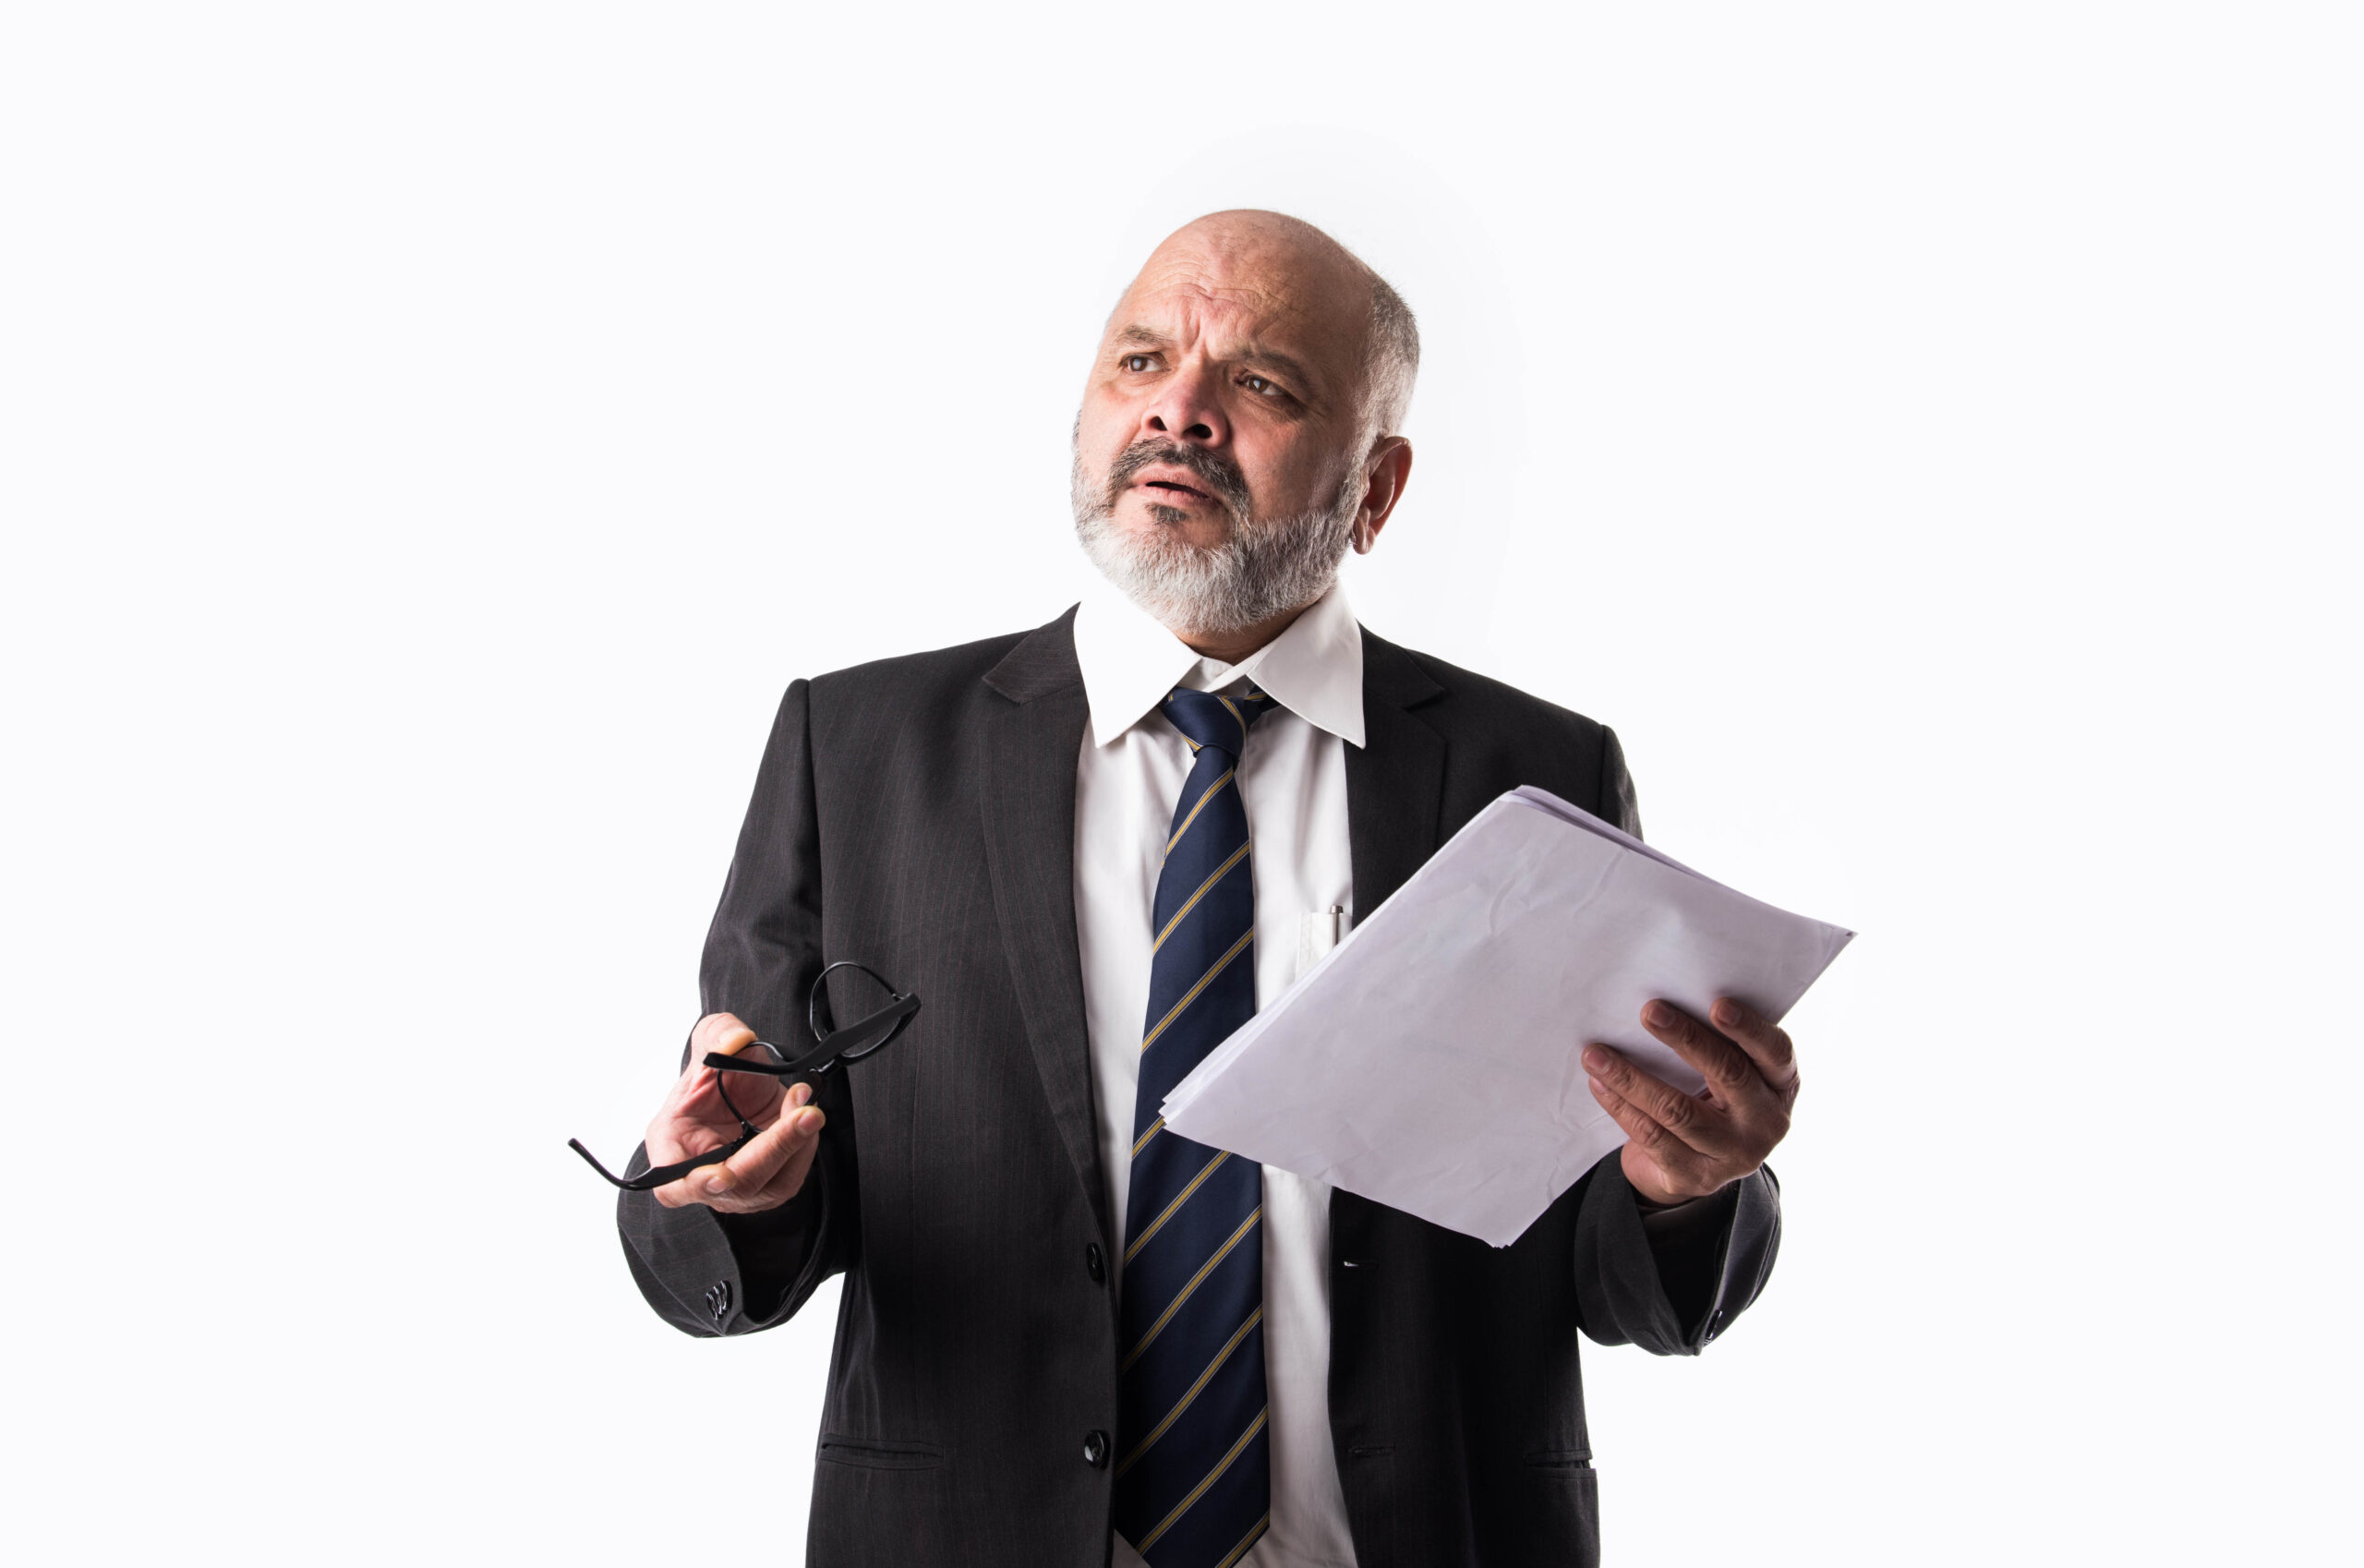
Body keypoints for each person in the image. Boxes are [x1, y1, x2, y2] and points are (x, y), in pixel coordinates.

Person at [610, 210, 1800, 1568]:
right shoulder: (860, 748)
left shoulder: (1531, 773)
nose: (1179, 410)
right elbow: (741, 1216)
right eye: (1138, 362)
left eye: (1262, 384)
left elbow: (1616, 1269)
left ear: (1378, 488)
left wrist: (1685, 1184)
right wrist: (724, 1185)